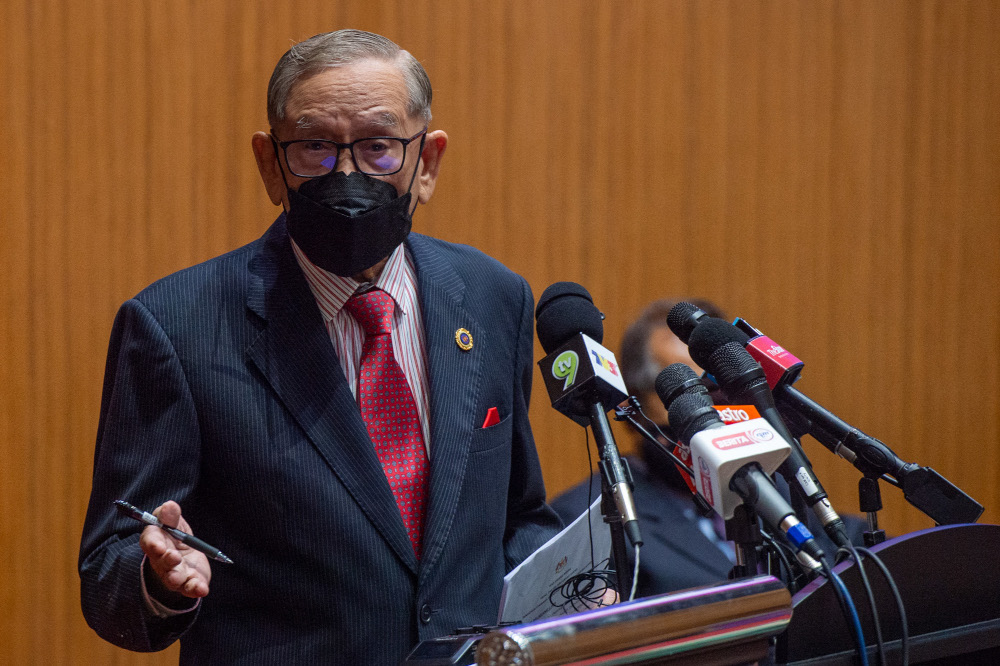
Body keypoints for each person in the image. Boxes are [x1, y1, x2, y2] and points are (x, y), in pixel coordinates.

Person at [79, 30, 561, 664]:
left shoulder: (493, 296)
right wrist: (160, 583)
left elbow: (517, 517)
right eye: (315, 147)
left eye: (379, 147)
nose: (348, 173)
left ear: (428, 162)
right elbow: (109, 569)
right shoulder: (175, 325)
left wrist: (574, 593)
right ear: (270, 163)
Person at [550, 298, 866, 597]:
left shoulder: (772, 482)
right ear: (632, 402)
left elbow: (841, 543)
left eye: (719, 390)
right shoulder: (586, 522)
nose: (714, 411)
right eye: (689, 391)